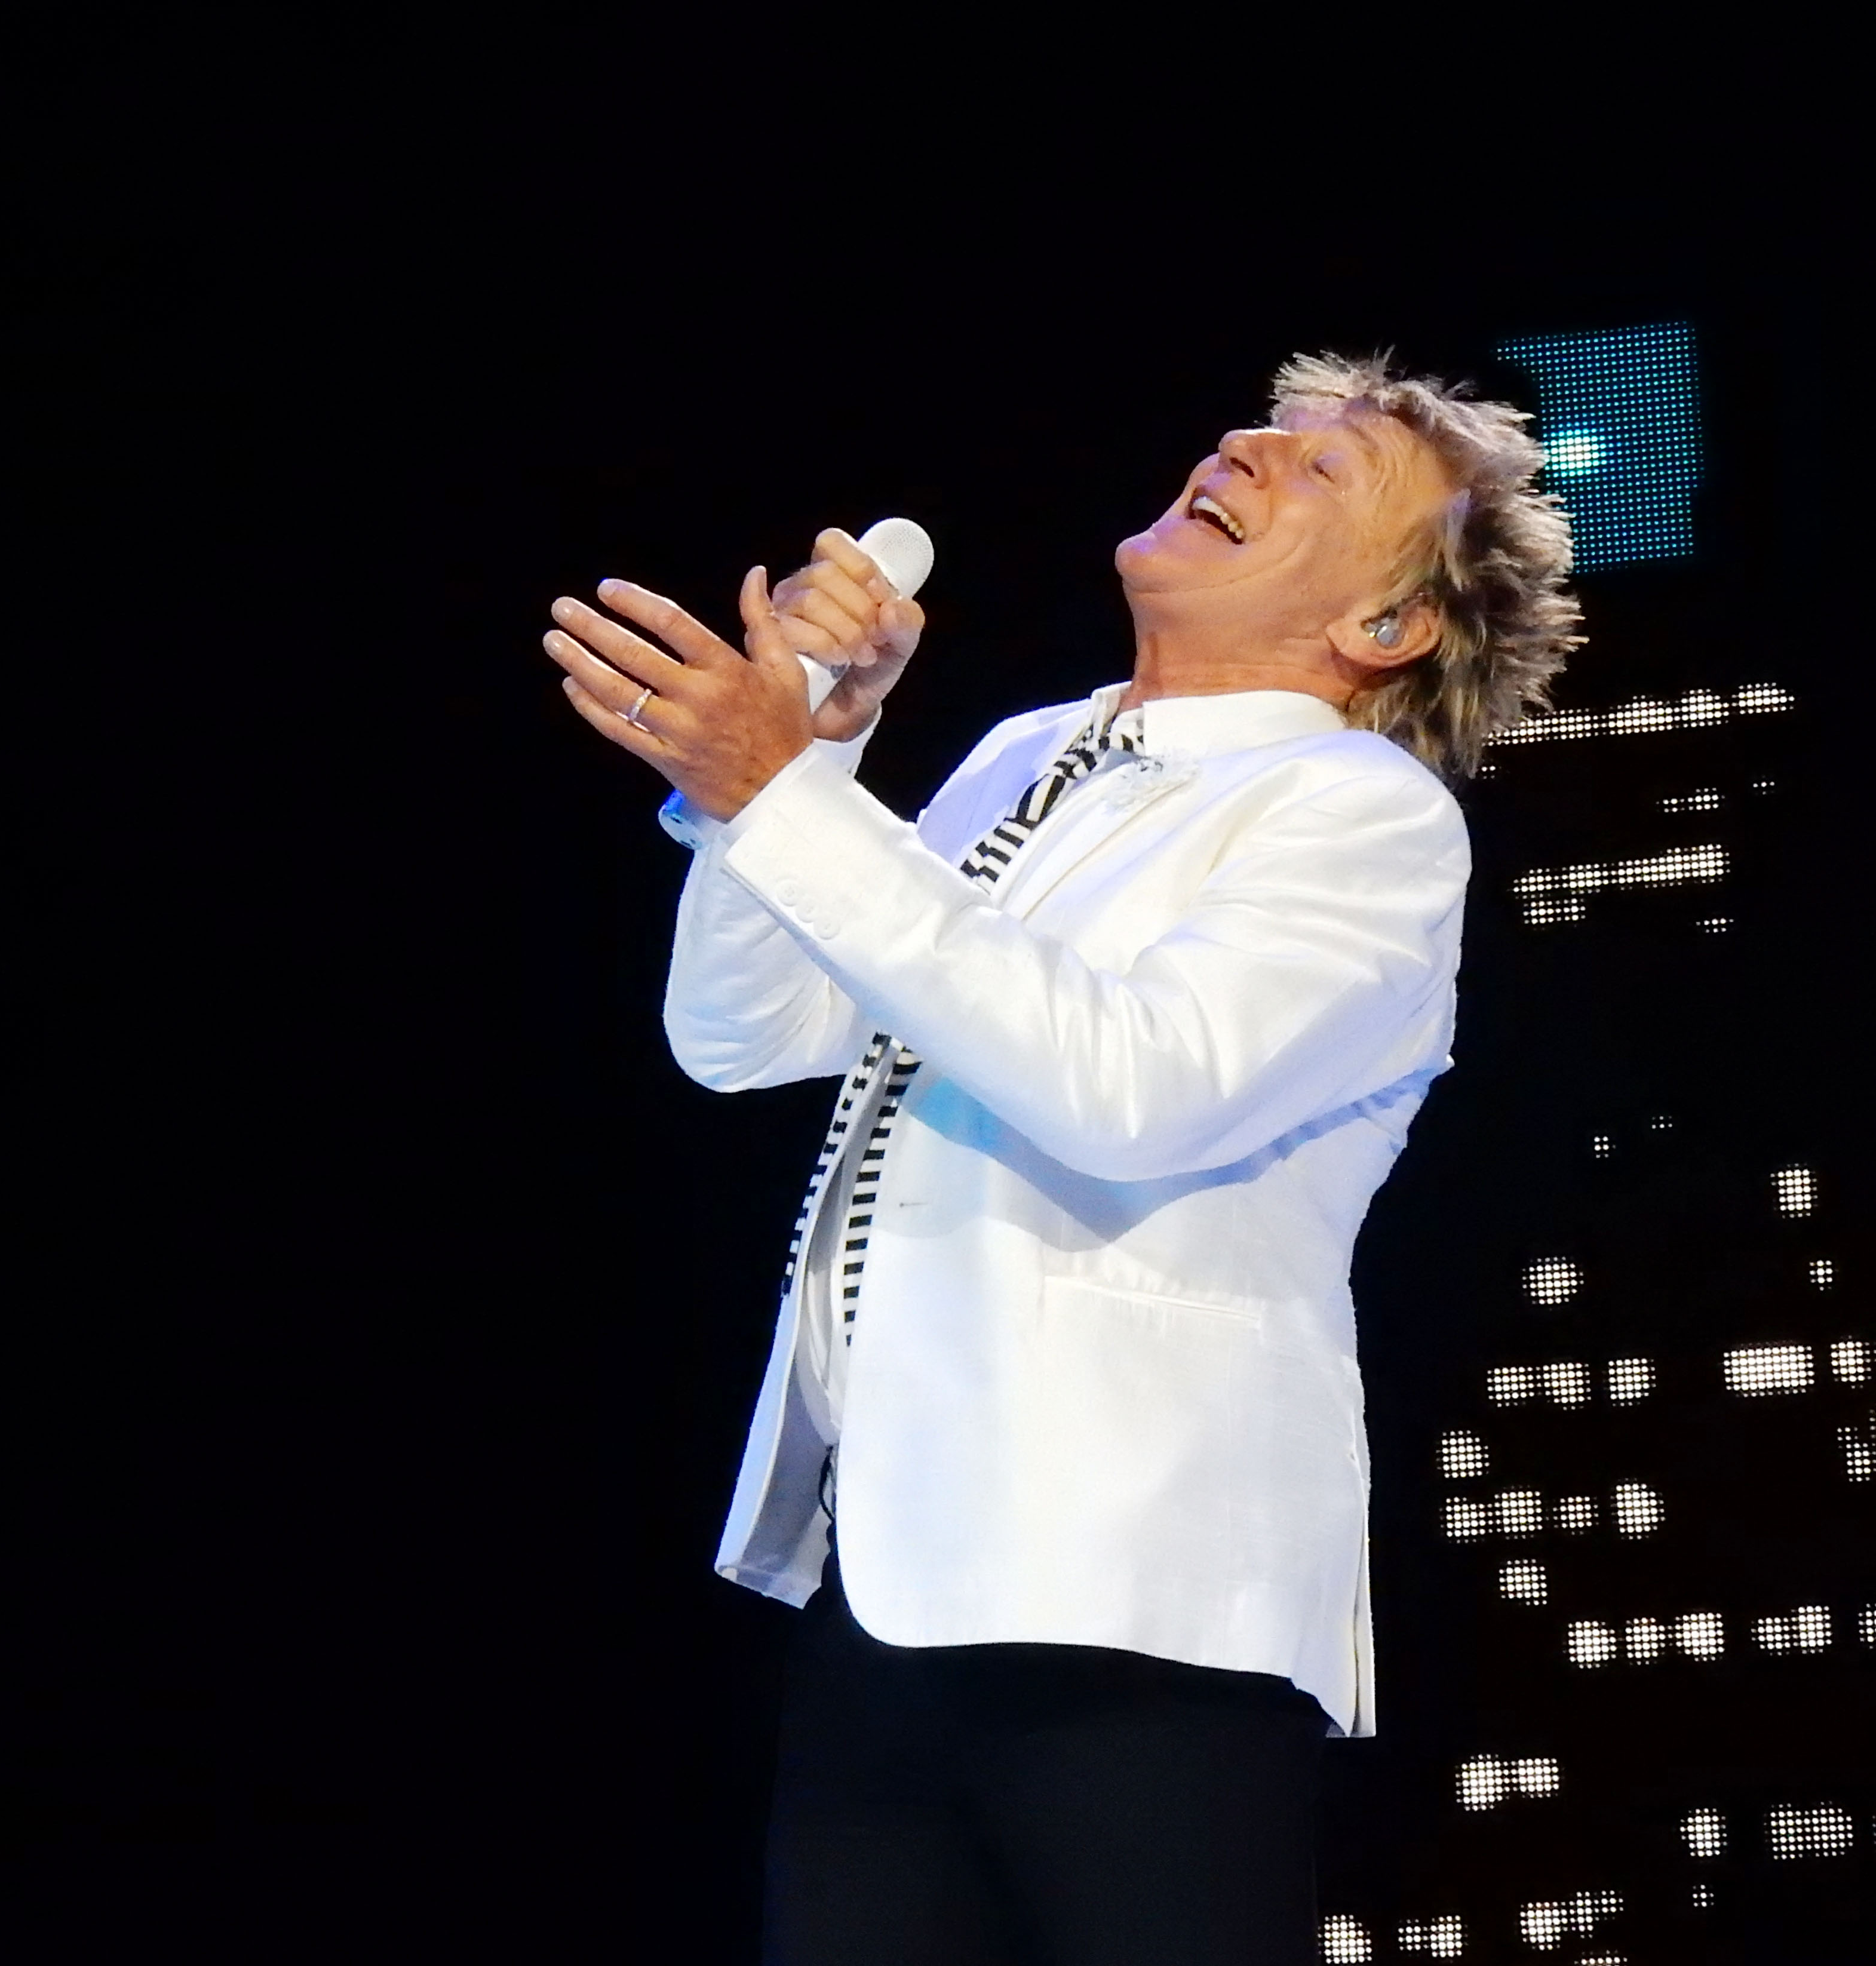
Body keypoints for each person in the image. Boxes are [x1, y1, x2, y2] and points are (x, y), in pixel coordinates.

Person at [542, 353, 1582, 1965]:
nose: (1244, 446)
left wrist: (782, 796)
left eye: (1322, 469)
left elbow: (1131, 1087)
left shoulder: (1357, 811)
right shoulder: (1031, 754)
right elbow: (745, 1034)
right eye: (1265, 430)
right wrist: (805, 763)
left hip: (1134, 1591)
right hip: (890, 1579)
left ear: (1386, 626)